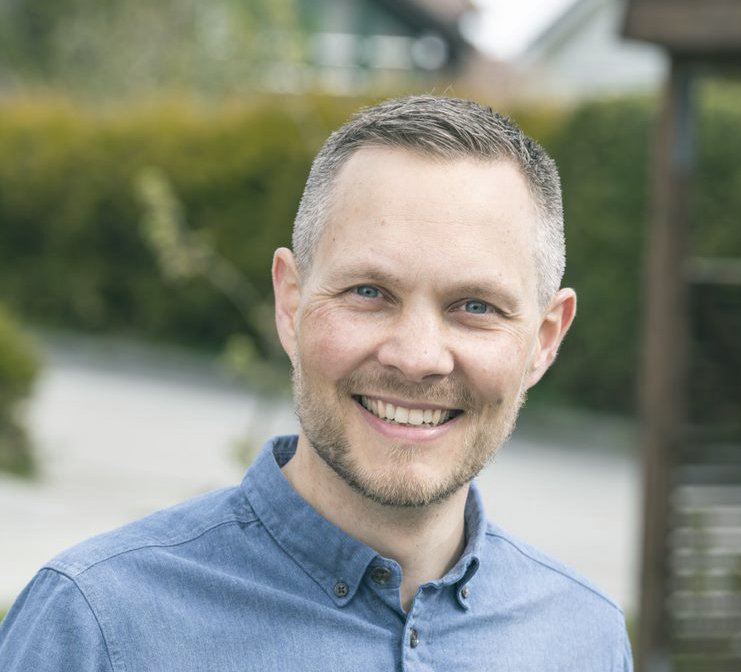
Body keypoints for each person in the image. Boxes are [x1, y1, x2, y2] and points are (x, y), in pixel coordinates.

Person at [0, 95, 631, 670]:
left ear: (544, 340)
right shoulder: (97, 628)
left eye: (475, 306)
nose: (416, 358)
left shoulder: (585, 640)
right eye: (369, 292)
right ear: (290, 302)